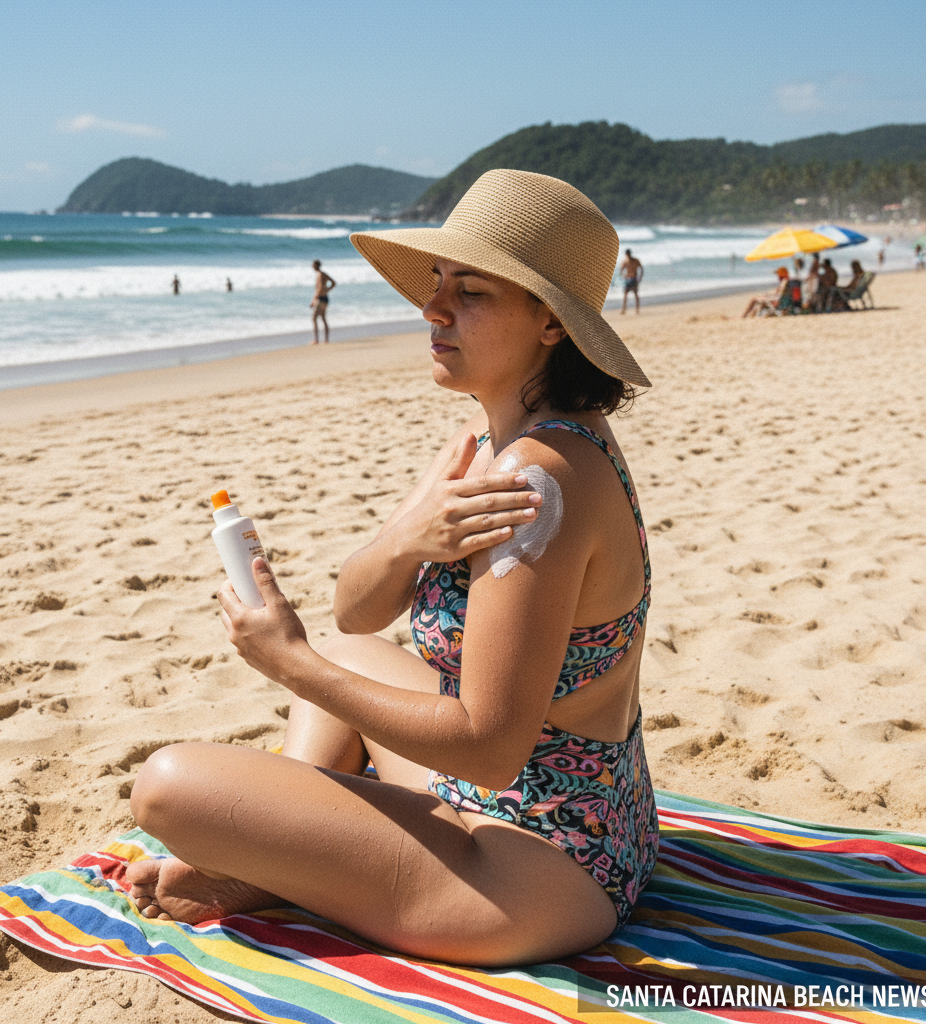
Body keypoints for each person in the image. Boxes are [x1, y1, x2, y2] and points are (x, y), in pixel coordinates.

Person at [125, 169, 661, 967]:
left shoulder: (537, 482)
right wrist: (409, 535)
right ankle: (274, 858)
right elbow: (354, 615)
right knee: (351, 658)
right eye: (438, 282)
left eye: (469, 291)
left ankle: (276, 860)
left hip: (534, 869)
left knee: (167, 786)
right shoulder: (512, 445)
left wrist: (289, 665)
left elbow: (488, 747)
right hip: (591, 814)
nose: (432, 309)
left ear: (550, 321)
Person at [310, 259, 336, 344]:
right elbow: (333, 283)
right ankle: (326, 339)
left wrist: (314, 300)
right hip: (325, 298)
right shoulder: (323, 274)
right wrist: (327, 289)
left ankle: (317, 339)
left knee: (314, 318)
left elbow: (320, 287)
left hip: (320, 299)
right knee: (323, 318)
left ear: (315, 266)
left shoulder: (320, 275)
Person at [619, 249, 643, 314]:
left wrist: (640, 276)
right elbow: (621, 270)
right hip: (629, 279)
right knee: (626, 294)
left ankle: (637, 309)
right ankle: (624, 309)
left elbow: (641, 268)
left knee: (635, 294)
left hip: (634, 279)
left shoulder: (635, 261)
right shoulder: (626, 262)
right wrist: (624, 276)